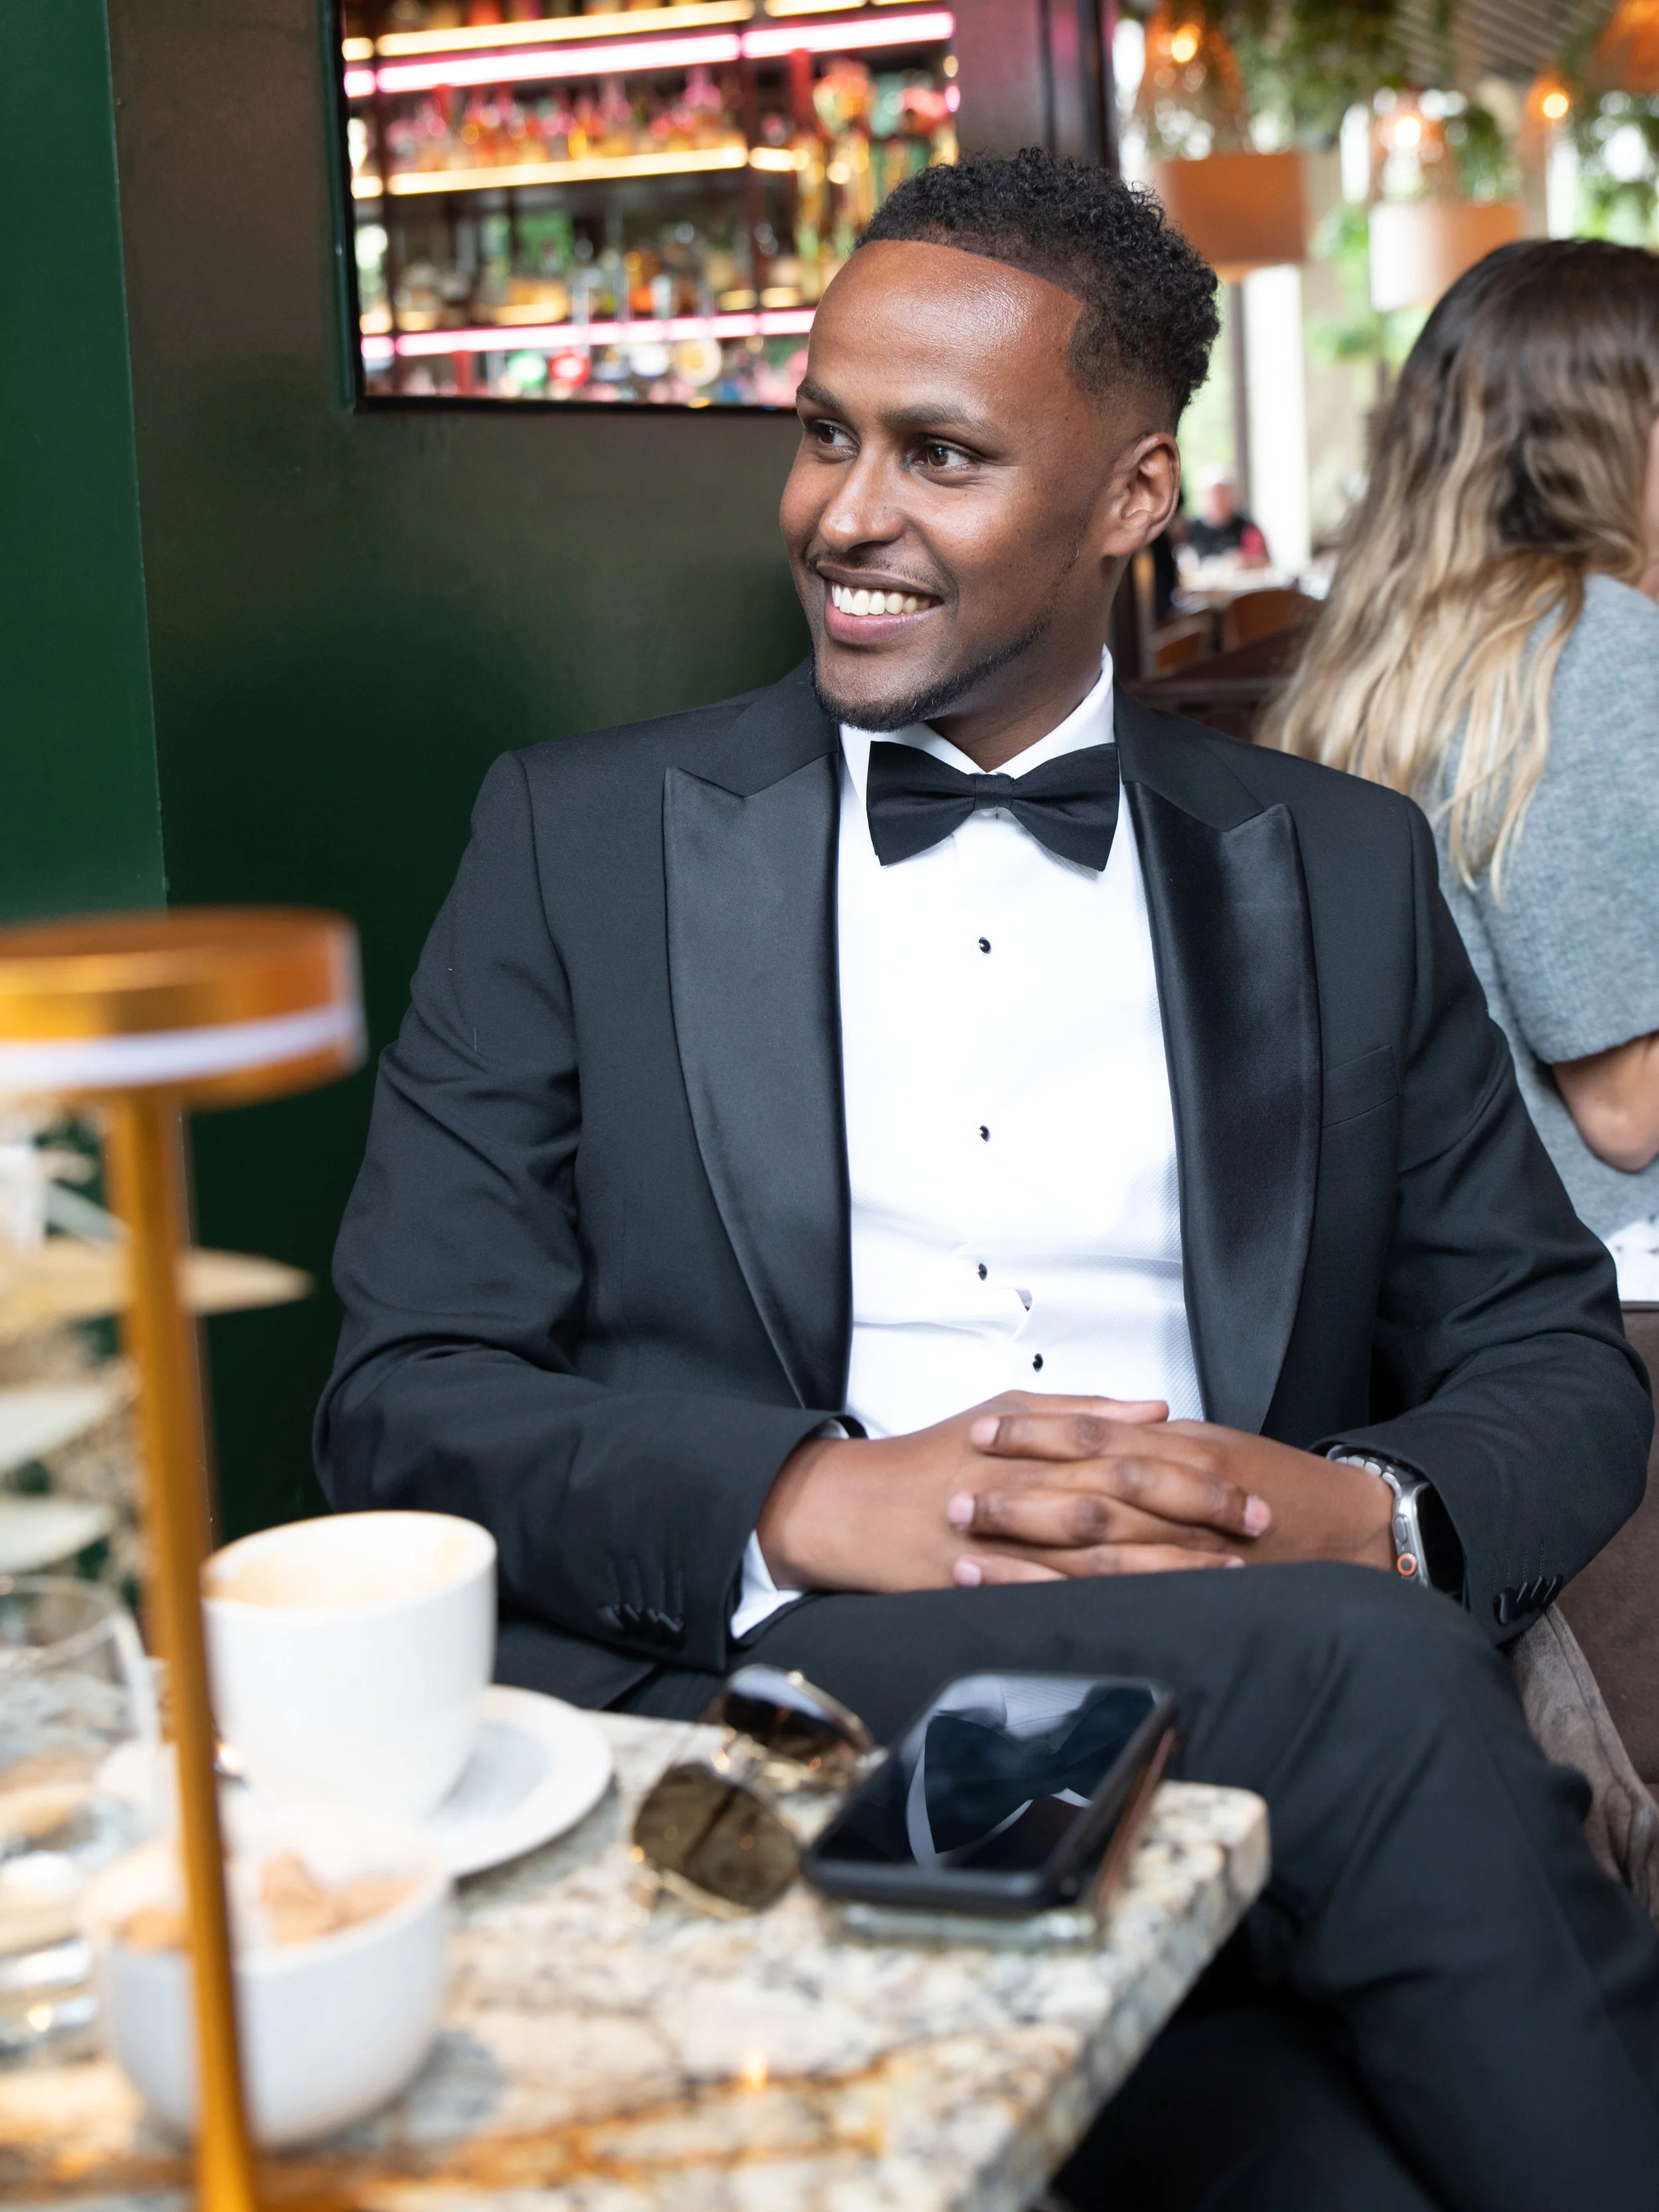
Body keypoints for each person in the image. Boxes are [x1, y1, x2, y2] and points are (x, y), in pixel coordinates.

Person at [317, 153, 1659, 2209]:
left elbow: (1552, 1354)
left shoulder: (1332, 864)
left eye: (936, 454)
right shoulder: (577, 844)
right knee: (1357, 1664)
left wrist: (1357, 1512)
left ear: (1130, 495)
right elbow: (403, 1393)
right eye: (825, 435)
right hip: (779, 1719)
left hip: (1241, 1770)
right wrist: (803, 1495)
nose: (842, 515)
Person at [1267, 240, 1659, 1299]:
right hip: (1609, 1281)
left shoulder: (1387, 649)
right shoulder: (1594, 648)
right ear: (1622, 437)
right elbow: (1628, 1113)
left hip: (1442, 1290)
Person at [1184, 463, 1268, 565]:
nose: (1218, 500)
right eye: (1213, 495)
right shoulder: (1190, 530)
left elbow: (1264, 561)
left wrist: (1245, 561)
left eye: (1223, 494)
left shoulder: (1248, 528)